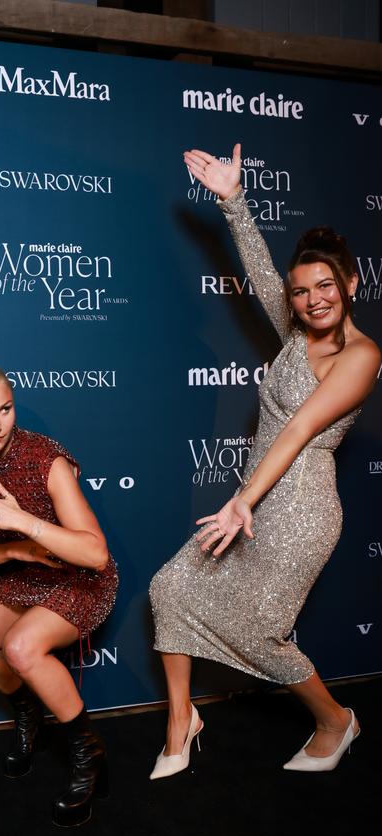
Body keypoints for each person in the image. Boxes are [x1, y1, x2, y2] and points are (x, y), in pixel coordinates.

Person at [149, 143, 380, 778]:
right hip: (254, 496)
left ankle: (336, 720)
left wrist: (244, 498)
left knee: (261, 634)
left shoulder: (360, 356)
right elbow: (260, 276)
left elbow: (304, 425)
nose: (312, 300)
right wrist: (234, 202)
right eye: (301, 291)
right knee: (169, 587)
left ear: (351, 284)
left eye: (326, 286)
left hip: (301, 509)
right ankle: (181, 719)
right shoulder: (298, 333)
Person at [0, 346, 118, 826]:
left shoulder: (46, 459)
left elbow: (96, 554)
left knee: (21, 647)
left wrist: (25, 523)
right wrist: (12, 551)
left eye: (5, 409)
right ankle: (29, 711)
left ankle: (88, 754)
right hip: (27, 573)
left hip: (80, 578)